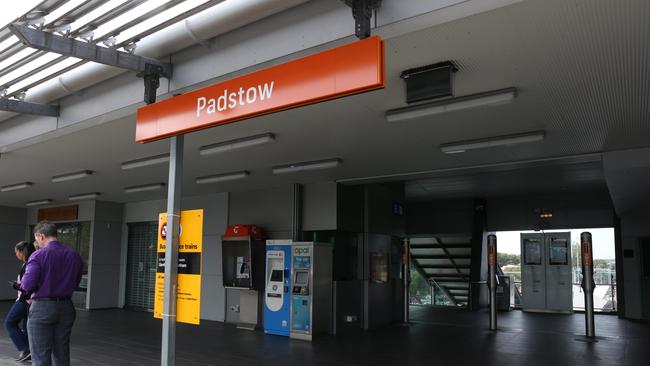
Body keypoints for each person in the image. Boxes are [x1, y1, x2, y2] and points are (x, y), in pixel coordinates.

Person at [20, 221, 83, 366]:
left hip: (42, 308)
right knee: (62, 352)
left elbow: (27, 284)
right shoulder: (74, 255)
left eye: (36, 239)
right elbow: (76, 281)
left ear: (40, 236)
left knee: (40, 355)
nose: (37, 242)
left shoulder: (38, 255)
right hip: (66, 307)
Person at [4, 241, 36, 363]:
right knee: (27, 327)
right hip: (30, 301)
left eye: (16, 251)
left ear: (22, 251)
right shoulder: (29, 264)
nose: (15, 254)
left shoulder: (29, 265)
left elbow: (28, 286)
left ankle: (25, 349)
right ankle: (30, 352)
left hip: (25, 300)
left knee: (9, 323)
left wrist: (17, 286)